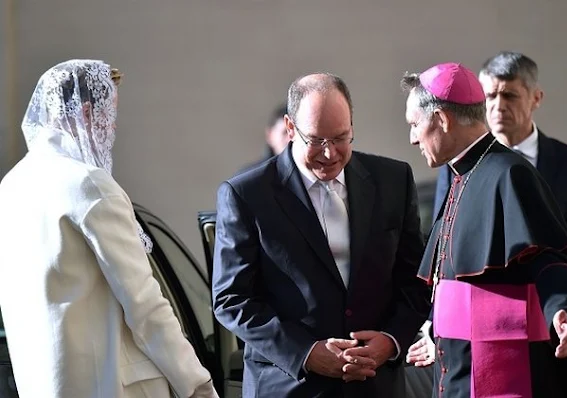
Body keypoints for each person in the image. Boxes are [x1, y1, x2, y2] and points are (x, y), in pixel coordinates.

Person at [0, 60, 218, 398]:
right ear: (87, 112)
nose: (112, 129)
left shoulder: (11, 186)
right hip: (112, 386)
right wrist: (197, 384)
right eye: (111, 115)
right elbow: (144, 303)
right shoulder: (89, 184)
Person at [212, 72, 430, 397]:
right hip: (289, 386)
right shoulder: (247, 194)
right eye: (316, 140)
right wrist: (307, 354)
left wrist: (391, 341)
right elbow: (232, 299)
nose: (330, 154)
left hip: (376, 384)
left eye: (341, 138)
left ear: (353, 126)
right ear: (289, 129)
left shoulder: (393, 181)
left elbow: (416, 280)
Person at [403, 62, 567, 397]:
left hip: (498, 368)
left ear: (442, 119)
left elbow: (549, 255)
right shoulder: (459, 174)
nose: (413, 137)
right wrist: (436, 331)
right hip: (456, 364)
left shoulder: (510, 174)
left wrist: (562, 310)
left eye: (415, 125)